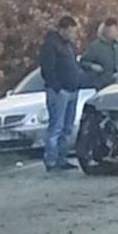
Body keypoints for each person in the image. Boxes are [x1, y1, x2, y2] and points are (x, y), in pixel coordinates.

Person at [39, 16, 81, 172]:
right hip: (59, 92)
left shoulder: (69, 46)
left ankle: (62, 159)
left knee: (67, 128)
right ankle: (51, 160)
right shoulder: (51, 45)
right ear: (63, 29)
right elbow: (47, 69)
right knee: (56, 127)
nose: (73, 35)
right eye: (71, 31)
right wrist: (57, 87)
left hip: (72, 90)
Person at [81, 18, 118, 89]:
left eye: (111, 31)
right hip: (103, 85)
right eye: (107, 31)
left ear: (117, 30)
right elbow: (83, 62)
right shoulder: (95, 46)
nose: (109, 34)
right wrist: (92, 66)